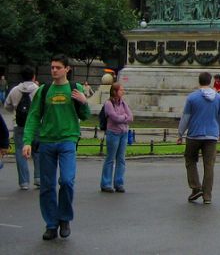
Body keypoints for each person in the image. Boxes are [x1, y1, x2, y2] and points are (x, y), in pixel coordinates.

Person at [22, 55, 91, 241]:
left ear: (67, 69)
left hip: (68, 140)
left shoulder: (74, 88)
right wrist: (27, 141)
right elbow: (34, 117)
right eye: (52, 67)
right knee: (47, 186)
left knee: (67, 181)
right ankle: (51, 224)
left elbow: (85, 116)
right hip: (46, 141)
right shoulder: (44, 90)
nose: (54, 70)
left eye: (58, 67)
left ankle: (65, 218)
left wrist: (84, 102)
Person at [177, 72, 220, 205]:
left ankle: (196, 187)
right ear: (210, 81)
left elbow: (186, 117)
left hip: (194, 134)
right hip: (212, 135)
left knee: (190, 160)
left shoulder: (192, 97)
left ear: (199, 81)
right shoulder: (218, 98)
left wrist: (180, 134)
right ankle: (207, 196)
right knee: (209, 166)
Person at [4, 67, 40, 190]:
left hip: (18, 124)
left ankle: (24, 182)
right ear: (34, 77)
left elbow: (7, 106)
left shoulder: (15, 90)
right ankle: (38, 178)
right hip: (35, 125)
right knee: (37, 151)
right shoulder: (38, 90)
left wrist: (15, 110)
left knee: (20, 152)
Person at [100, 83, 133, 193]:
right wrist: (124, 117)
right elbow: (114, 118)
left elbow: (131, 117)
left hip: (123, 133)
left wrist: (123, 118)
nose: (123, 91)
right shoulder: (109, 104)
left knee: (121, 159)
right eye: (121, 90)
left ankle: (119, 183)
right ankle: (106, 183)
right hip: (113, 133)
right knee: (110, 158)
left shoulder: (123, 103)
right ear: (115, 91)